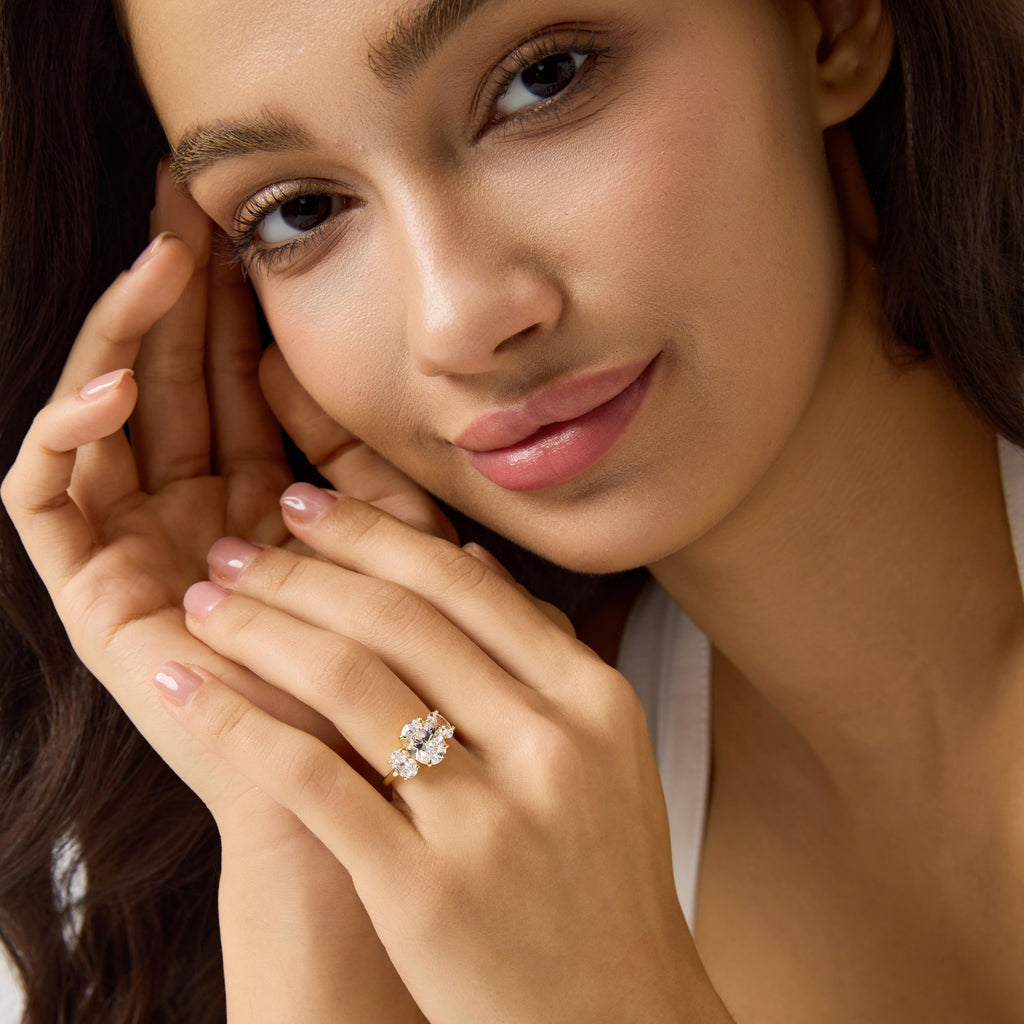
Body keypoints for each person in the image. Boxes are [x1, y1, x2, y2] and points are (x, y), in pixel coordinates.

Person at [1, 0, 1022, 1020]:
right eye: (299, 212)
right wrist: (309, 817)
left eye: (544, 80)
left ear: (829, 24)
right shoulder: (487, 840)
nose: (458, 318)